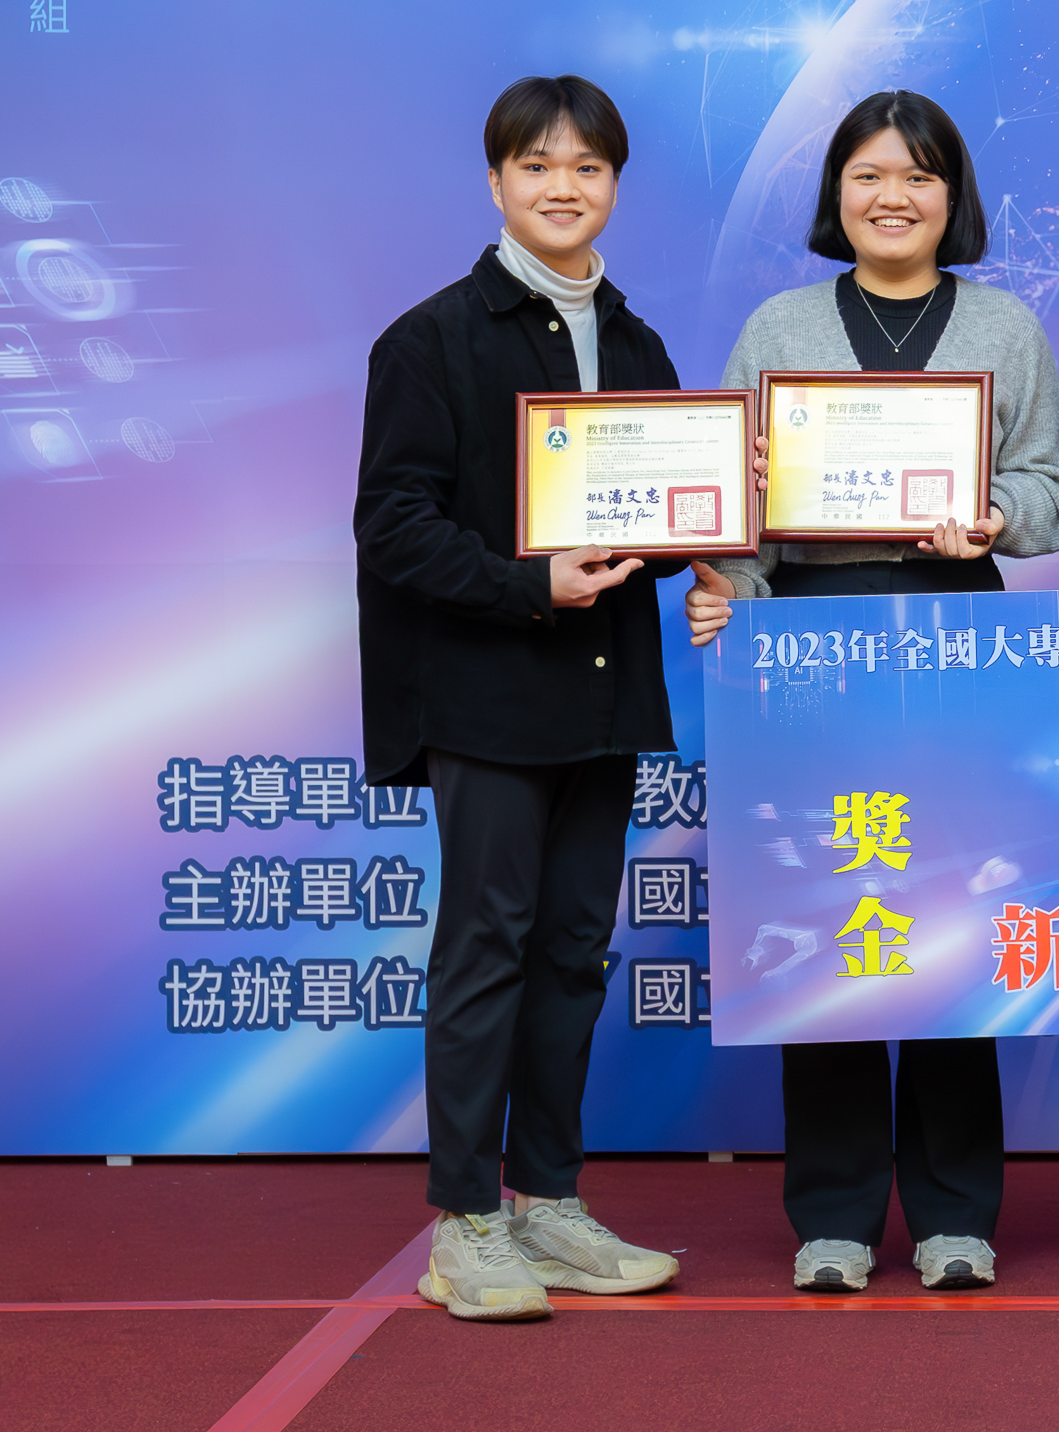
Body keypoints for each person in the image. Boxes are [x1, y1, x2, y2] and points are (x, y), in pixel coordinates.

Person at [689, 90, 1059, 1296]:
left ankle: (958, 1211)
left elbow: (1052, 492)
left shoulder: (1004, 325)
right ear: (837, 194)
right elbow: (734, 502)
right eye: (867, 174)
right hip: (813, 654)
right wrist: (733, 602)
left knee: (957, 917)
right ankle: (836, 1213)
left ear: (952, 197)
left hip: (960, 648)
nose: (891, 196)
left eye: (917, 175)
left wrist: (995, 513)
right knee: (831, 923)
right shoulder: (781, 325)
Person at [356, 76, 701, 1324]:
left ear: (615, 183)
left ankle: (549, 1200)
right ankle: (466, 1222)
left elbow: (659, 521)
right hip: (488, 698)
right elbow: (393, 525)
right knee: (486, 945)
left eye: (588, 167)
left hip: (604, 701)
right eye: (538, 164)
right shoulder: (431, 339)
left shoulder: (639, 343)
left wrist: (717, 525)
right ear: (496, 180)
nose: (565, 186)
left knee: (571, 955)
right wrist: (526, 582)